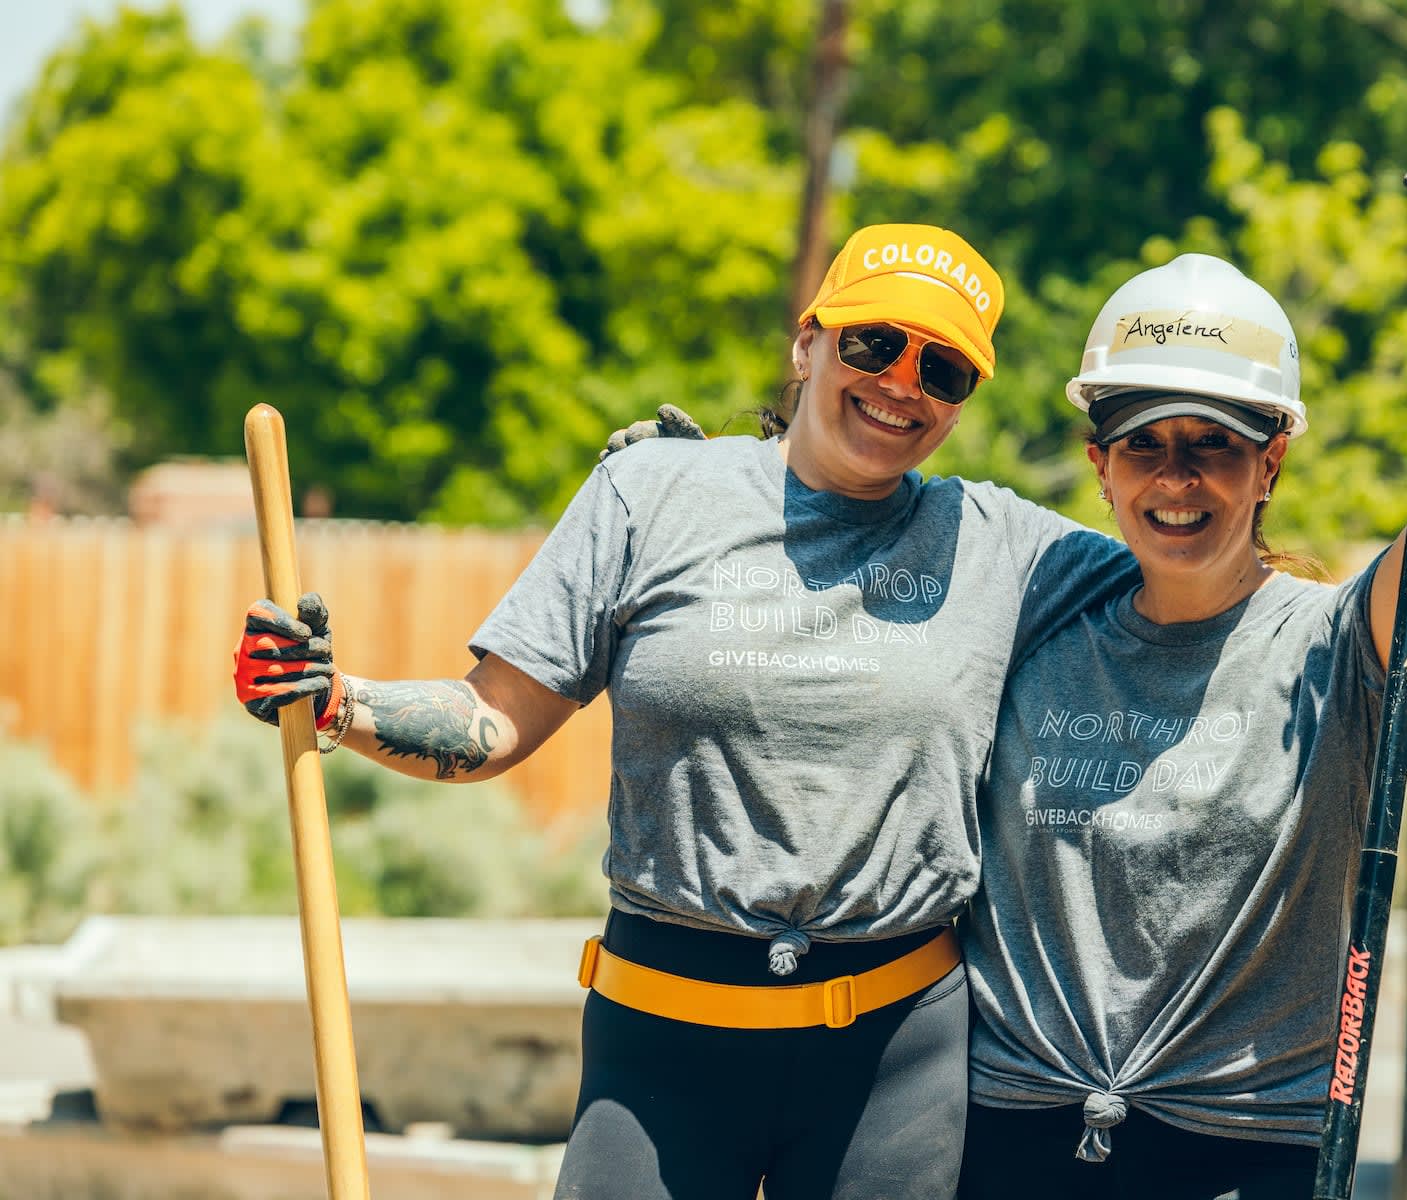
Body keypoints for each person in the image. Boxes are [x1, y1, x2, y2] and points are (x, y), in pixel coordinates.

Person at [234, 222, 1147, 1200]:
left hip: (895, 1061)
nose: (902, 382)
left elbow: (1194, 592)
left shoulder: (999, 546)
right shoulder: (650, 495)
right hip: (662, 1043)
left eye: (946, 370)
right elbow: (492, 717)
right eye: (874, 344)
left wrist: (1213, 448)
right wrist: (334, 701)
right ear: (808, 342)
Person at [954, 124, 1407, 1199]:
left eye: (1214, 444)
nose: (1178, 480)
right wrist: (693, 489)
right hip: (1011, 1139)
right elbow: (870, 522)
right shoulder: (1031, 609)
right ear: (1099, 465)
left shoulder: (1336, 650)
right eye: (1146, 444)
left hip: (1243, 1149)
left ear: (1270, 463)